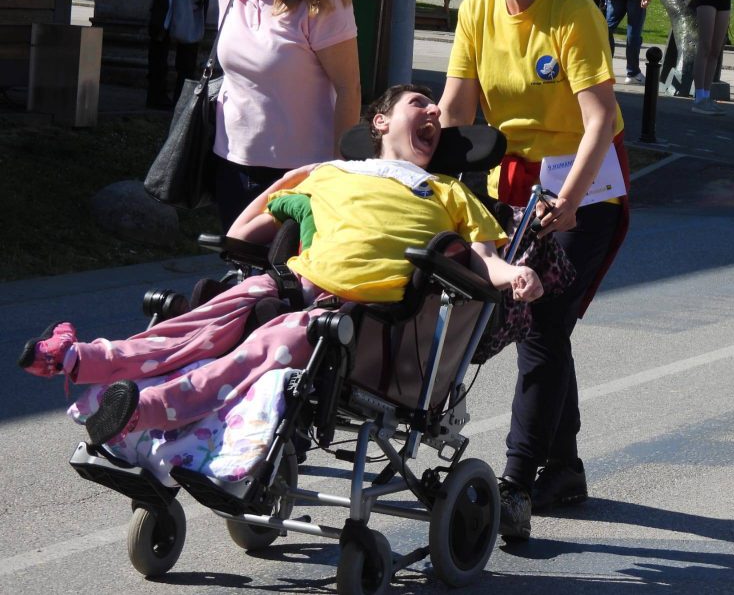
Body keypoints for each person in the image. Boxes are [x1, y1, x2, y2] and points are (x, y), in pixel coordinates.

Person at [18, 85, 543, 447]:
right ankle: (78, 357)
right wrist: (292, 185)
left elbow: (485, 259)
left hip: (356, 317)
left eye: (437, 113)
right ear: (381, 121)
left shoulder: (447, 190)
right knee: (195, 324)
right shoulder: (331, 173)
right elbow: (241, 235)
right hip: (293, 283)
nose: (433, 114)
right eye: (419, 103)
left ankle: (142, 410)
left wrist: (516, 275)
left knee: (258, 351)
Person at [439, 0, 629, 542]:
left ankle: (517, 482)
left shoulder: (573, 11)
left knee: (542, 318)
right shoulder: (479, 6)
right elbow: (457, 110)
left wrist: (568, 201)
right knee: (547, 322)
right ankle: (564, 467)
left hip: (586, 186)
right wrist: (418, 176)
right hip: (512, 183)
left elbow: (599, 119)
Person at [168, 0, 361, 230]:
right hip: (232, 163)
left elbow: (348, 89)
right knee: (239, 257)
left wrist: (339, 170)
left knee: (291, 261)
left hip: (302, 174)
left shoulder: (322, 3)